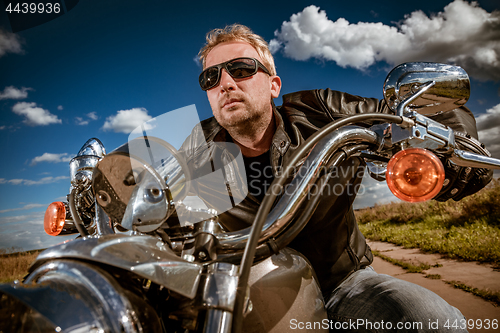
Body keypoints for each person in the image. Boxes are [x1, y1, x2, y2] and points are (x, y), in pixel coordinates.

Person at [189, 23, 492, 331]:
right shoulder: (194, 148)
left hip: (343, 283)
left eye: (240, 69)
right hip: (248, 291)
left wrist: (456, 148)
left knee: (431, 321)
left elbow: (412, 115)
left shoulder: (321, 111)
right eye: (210, 77)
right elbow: (147, 193)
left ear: (273, 85)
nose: (225, 82)